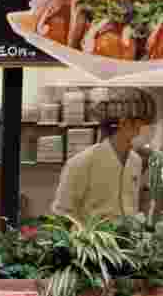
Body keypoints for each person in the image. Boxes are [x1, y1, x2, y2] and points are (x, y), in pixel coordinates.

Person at [51, 88, 157, 222]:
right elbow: (61, 213)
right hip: (91, 241)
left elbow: (130, 207)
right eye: (145, 124)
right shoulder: (82, 162)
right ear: (124, 123)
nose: (150, 130)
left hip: (127, 240)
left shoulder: (135, 161)